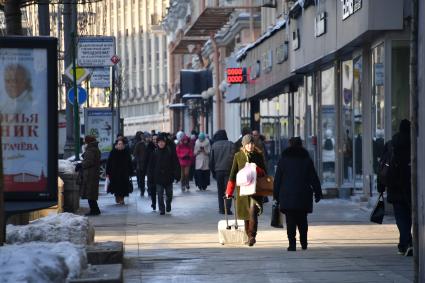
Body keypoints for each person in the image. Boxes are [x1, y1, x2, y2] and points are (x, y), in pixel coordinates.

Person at [273, 137, 322, 251]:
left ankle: (292, 244)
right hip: (303, 195)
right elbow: (313, 178)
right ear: (301, 145)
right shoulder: (306, 159)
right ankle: (304, 243)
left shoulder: (283, 160)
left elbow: (278, 179)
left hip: (287, 195)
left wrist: (276, 195)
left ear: (290, 145)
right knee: (302, 220)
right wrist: (318, 193)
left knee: (290, 221)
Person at [378, 119, 412, 256]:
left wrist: (380, 186)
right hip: (410, 186)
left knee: (401, 216)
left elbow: (382, 167)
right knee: (410, 216)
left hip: (394, 187)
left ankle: (405, 243)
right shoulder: (416, 143)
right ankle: (406, 242)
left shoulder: (391, 144)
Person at [225, 134, 267, 246]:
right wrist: (229, 191)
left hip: (255, 191)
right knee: (245, 216)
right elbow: (233, 175)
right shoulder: (238, 156)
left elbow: (264, 173)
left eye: (252, 143)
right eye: (248, 143)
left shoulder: (258, 155)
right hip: (242, 192)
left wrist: (257, 169)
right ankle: (248, 235)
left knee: (253, 213)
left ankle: (252, 236)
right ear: (244, 144)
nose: (251, 145)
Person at [147, 133, 180, 215]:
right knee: (160, 194)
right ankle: (162, 209)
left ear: (165, 143)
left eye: (162, 142)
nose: (161, 143)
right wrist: (150, 177)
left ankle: (168, 204)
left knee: (169, 194)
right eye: (159, 142)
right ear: (157, 143)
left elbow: (175, 163)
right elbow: (150, 167)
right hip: (158, 177)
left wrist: (177, 174)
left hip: (168, 177)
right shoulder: (154, 153)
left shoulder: (169, 152)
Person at [210, 129, 235, 214]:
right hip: (229, 170)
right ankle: (227, 208)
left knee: (220, 190)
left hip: (218, 171)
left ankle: (221, 209)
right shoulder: (231, 144)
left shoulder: (214, 145)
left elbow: (211, 160)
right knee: (228, 190)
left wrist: (213, 171)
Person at [79, 135, 102, 216]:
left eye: (85, 141)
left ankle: (94, 210)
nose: (84, 142)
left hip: (90, 175)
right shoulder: (94, 149)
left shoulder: (91, 150)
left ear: (88, 142)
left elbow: (89, 162)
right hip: (93, 174)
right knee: (91, 193)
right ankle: (95, 209)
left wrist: (81, 165)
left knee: (90, 194)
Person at [106, 139, 133, 205]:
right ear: (116, 145)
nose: (120, 145)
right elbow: (108, 163)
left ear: (124, 145)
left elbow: (130, 163)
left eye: (121, 144)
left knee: (123, 187)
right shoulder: (113, 152)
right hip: (114, 173)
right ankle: (118, 197)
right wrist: (107, 172)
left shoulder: (126, 152)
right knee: (116, 187)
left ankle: (122, 199)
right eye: (119, 144)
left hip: (124, 173)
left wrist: (131, 172)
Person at [145, 133, 158, 210]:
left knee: (159, 189)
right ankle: (153, 203)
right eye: (153, 139)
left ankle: (160, 204)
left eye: (156, 139)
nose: (155, 141)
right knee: (153, 189)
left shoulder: (162, 147)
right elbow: (146, 160)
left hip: (160, 171)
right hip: (151, 171)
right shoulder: (149, 148)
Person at [133, 131, 147, 197]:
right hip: (140, 164)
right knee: (141, 179)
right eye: (141, 135)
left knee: (149, 178)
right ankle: (142, 190)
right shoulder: (138, 144)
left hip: (147, 163)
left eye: (143, 135)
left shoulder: (146, 143)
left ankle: (149, 190)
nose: (143, 136)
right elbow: (135, 153)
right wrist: (139, 161)